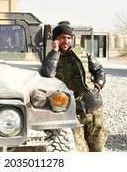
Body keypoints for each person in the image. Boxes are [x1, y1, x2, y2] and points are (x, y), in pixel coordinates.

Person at [40, 21, 107, 152]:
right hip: (71, 109)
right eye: (62, 37)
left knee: (98, 146)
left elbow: (99, 70)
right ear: (55, 40)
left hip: (92, 105)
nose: (66, 41)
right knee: (78, 148)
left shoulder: (82, 53)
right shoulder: (51, 58)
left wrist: (97, 87)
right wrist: (54, 52)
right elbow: (47, 73)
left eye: (69, 38)